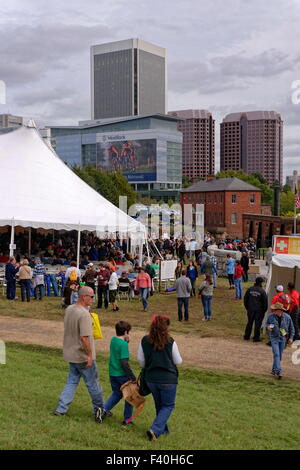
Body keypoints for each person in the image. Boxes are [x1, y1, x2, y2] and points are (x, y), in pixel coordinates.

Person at [54, 286, 105, 421]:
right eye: (92, 297)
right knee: (93, 383)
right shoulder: (83, 314)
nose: (93, 299)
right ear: (84, 297)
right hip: (82, 356)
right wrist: (89, 356)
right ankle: (99, 409)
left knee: (72, 381)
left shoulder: (69, 309)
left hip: (71, 353)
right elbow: (85, 338)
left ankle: (61, 407)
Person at [137, 315, 182, 441]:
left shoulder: (145, 341)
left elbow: (141, 361)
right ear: (166, 328)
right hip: (168, 379)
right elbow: (178, 361)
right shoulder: (170, 341)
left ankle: (163, 429)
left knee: (160, 405)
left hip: (151, 379)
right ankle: (155, 430)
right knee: (168, 406)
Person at [103, 321, 136, 426]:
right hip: (122, 375)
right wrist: (132, 376)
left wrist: (126, 342)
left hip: (113, 373)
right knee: (129, 397)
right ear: (126, 332)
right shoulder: (123, 345)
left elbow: (118, 351)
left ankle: (103, 409)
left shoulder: (113, 340)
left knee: (117, 394)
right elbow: (124, 362)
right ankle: (127, 420)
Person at [266, 302, 294, 379]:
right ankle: (278, 370)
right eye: (274, 309)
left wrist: (291, 337)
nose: (274, 311)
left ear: (281, 310)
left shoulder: (287, 317)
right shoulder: (271, 316)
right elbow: (267, 324)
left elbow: (292, 328)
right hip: (274, 338)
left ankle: (274, 369)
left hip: (283, 338)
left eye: (276, 310)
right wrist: (268, 327)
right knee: (277, 354)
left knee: (279, 355)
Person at [243, 277, 268, 342]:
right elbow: (265, 302)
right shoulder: (262, 291)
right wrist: (264, 311)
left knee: (249, 322)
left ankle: (246, 336)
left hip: (250, 309)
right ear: (260, 283)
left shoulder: (250, 289)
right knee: (258, 324)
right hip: (259, 311)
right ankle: (256, 338)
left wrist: (248, 308)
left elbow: (245, 299)